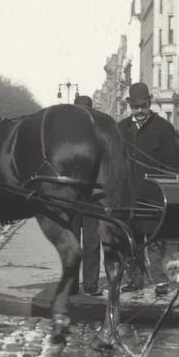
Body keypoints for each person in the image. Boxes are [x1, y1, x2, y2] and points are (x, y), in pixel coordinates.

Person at [118, 82, 179, 294]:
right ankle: (134, 279)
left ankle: (160, 280)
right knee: (131, 239)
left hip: (155, 195)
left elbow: (174, 163)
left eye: (143, 106)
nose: (139, 111)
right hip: (130, 196)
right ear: (129, 105)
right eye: (135, 107)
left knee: (155, 240)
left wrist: (167, 190)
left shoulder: (164, 128)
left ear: (149, 103)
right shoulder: (121, 129)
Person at [71, 93, 102, 295]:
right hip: (71, 198)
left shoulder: (98, 136)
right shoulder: (65, 137)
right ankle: (72, 284)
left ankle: (90, 284)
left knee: (91, 244)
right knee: (72, 242)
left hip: (92, 198)